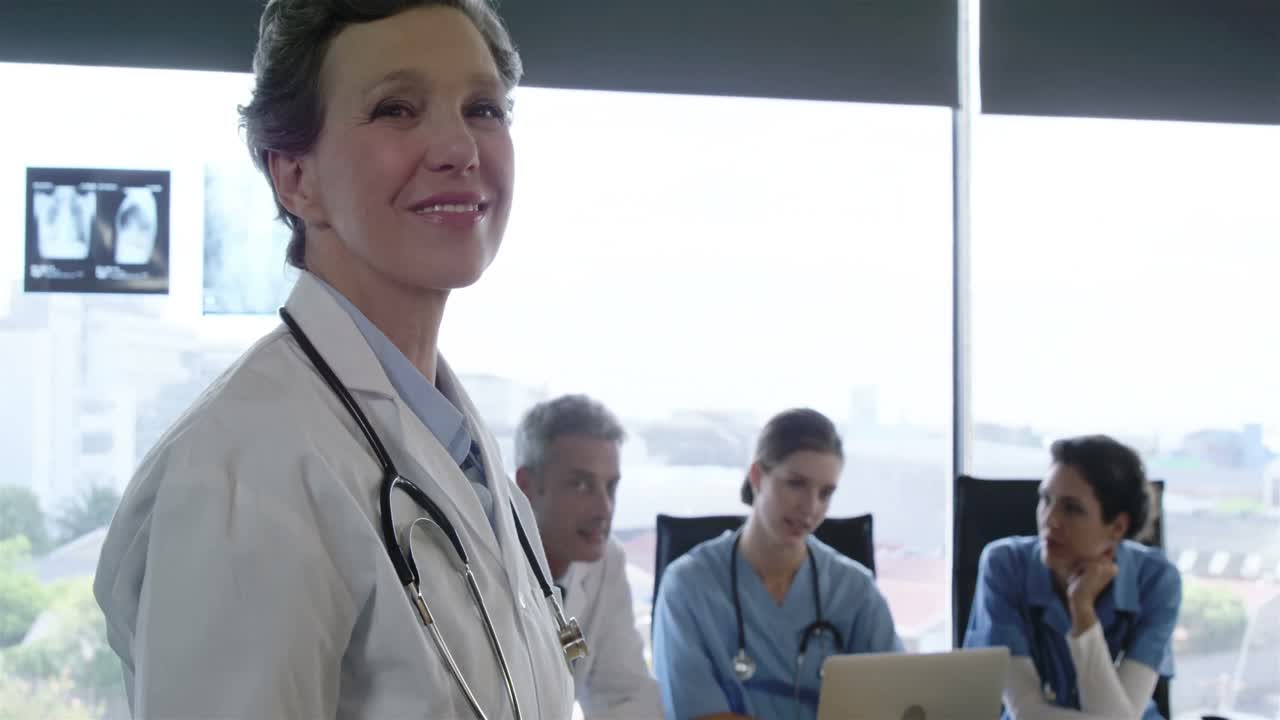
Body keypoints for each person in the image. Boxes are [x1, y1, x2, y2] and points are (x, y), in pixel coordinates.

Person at [93, 2, 577, 718]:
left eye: (483, 108)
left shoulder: (457, 451)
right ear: (294, 178)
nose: (458, 147)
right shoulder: (247, 467)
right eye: (396, 109)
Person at [652, 408, 901, 720]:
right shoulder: (689, 586)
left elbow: (895, 701)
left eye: (825, 493)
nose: (810, 508)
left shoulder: (855, 591)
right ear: (757, 477)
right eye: (796, 484)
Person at [964, 435, 1181, 719]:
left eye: (1071, 508)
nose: (1049, 520)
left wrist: (1082, 611)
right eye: (1045, 500)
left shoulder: (1156, 580)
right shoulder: (1005, 565)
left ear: (1116, 527)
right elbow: (1026, 710)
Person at [514, 394, 662, 719]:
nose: (604, 509)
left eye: (610, 487)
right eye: (581, 485)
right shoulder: (478, 563)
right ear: (525, 486)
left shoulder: (607, 562)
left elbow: (627, 694)